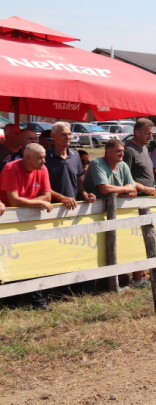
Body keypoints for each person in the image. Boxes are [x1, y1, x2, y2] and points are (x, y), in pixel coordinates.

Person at [0, 143, 54, 309]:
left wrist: (34, 203)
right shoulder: (11, 168)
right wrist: (37, 202)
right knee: (11, 261)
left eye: (44, 157)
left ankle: (36, 301)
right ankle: (13, 301)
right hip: (8, 221)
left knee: (32, 259)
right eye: (40, 158)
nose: (44, 161)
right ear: (27, 157)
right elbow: (14, 199)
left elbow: (47, 195)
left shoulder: (42, 169)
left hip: (30, 221)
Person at [45, 122, 95, 211]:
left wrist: (85, 194)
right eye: (64, 135)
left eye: (69, 134)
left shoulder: (75, 155)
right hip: (51, 208)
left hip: (72, 206)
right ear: (53, 136)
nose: (68, 137)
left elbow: (78, 180)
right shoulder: (44, 157)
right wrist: (62, 198)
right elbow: (43, 186)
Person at [123, 118, 156, 197]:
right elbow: (124, 178)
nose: (151, 137)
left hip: (148, 195)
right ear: (137, 133)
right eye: (147, 134)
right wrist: (144, 188)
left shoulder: (144, 147)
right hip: (137, 197)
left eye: (151, 133)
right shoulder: (129, 151)